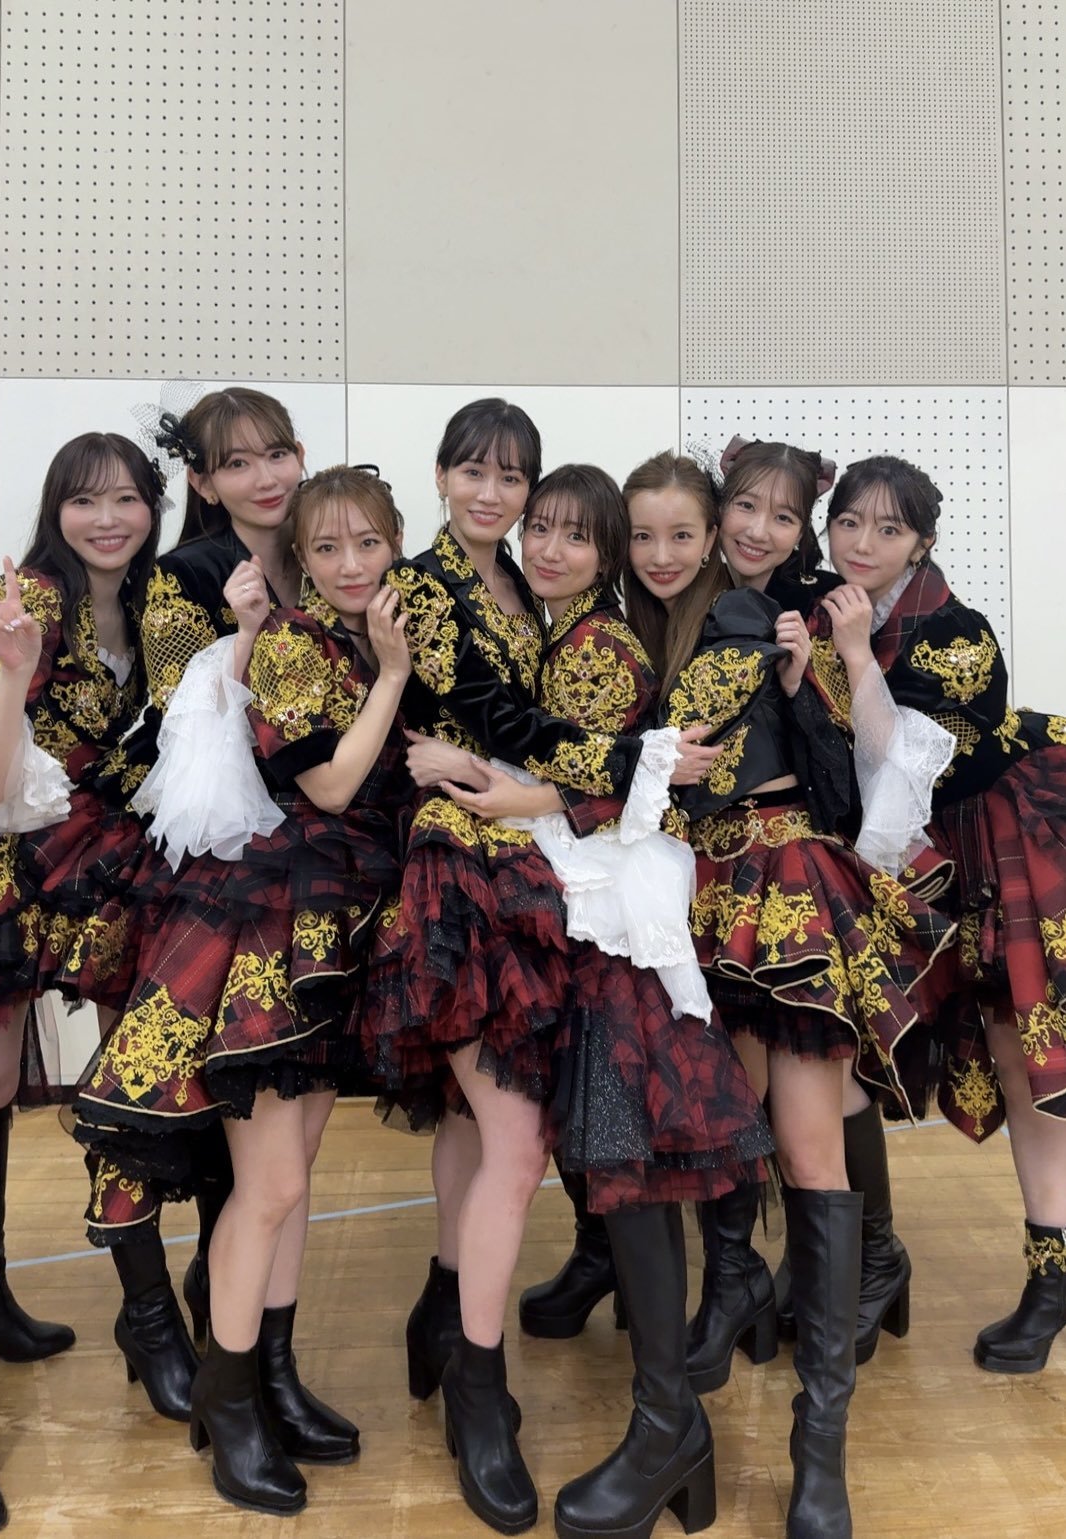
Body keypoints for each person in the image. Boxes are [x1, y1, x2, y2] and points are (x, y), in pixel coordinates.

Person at [365, 403, 716, 1534]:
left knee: (486, 1134)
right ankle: (477, 1385)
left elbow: (515, 736)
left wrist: (603, 769)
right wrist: (629, 761)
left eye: (514, 480)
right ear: (441, 476)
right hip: (465, 875)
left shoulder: (534, 597)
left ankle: (446, 1323)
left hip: (529, 867)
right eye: (475, 471)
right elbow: (495, 712)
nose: (496, 497)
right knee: (508, 1143)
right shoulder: (427, 587)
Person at [442, 462, 774, 1539]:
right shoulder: (599, 628)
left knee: (633, 1169)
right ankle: (670, 1427)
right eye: (540, 529)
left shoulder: (646, 636)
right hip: (600, 912)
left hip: (623, 922)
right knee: (621, 1168)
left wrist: (495, 788)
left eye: (577, 535)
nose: (551, 549)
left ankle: (669, 1426)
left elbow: (633, 770)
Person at [631, 440, 955, 1539]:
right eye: (743, 508)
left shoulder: (805, 614)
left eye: (781, 514)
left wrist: (827, 664)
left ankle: (820, 1449)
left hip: (782, 888)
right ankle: (733, 1289)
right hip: (684, 889)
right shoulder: (669, 603)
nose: (757, 529)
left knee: (810, 1148)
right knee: (722, 1118)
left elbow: (869, 777)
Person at [76, 464, 412, 1515]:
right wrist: (396, 678)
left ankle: (270, 1377)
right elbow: (331, 784)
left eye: (368, 544)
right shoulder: (300, 645)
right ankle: (227, 1402)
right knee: (266, 1187)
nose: (351, 564)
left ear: (396, 545)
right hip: (270, 927)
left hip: (334, 922)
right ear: (297, 560)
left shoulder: (367, 636)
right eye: (328, 548)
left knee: (291, 1179)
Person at [0, 432, 162, 1536]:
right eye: (84, 500)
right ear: (55, 509)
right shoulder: (28, 604)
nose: (107, 519)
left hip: (40, 879)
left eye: (127, 499)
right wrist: (13, 672)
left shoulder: (149, 607)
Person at [64, 387, 307, 1425]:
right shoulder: (186, 576)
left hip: (295, 870)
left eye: (276, 452)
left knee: (240, 1116)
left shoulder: (322, 554)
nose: (264, 476)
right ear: (202, 481)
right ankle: (157, 1321)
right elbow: (182, 719)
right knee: (156, 1095)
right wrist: (247, 639)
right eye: (236, 462)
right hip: (190, 868)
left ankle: (234, 1330)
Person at [808, 453, 1066, 1375]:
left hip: (1011, 838)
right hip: (923, 859)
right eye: (848, 521)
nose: (863, 543)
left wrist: (849, 655)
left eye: (890, 528)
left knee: (1029, 1055)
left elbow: (906, 767)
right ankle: (867, 1263)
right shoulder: (828, 605)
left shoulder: (959, 634)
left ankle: (1051, 1279)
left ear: (923, 542)